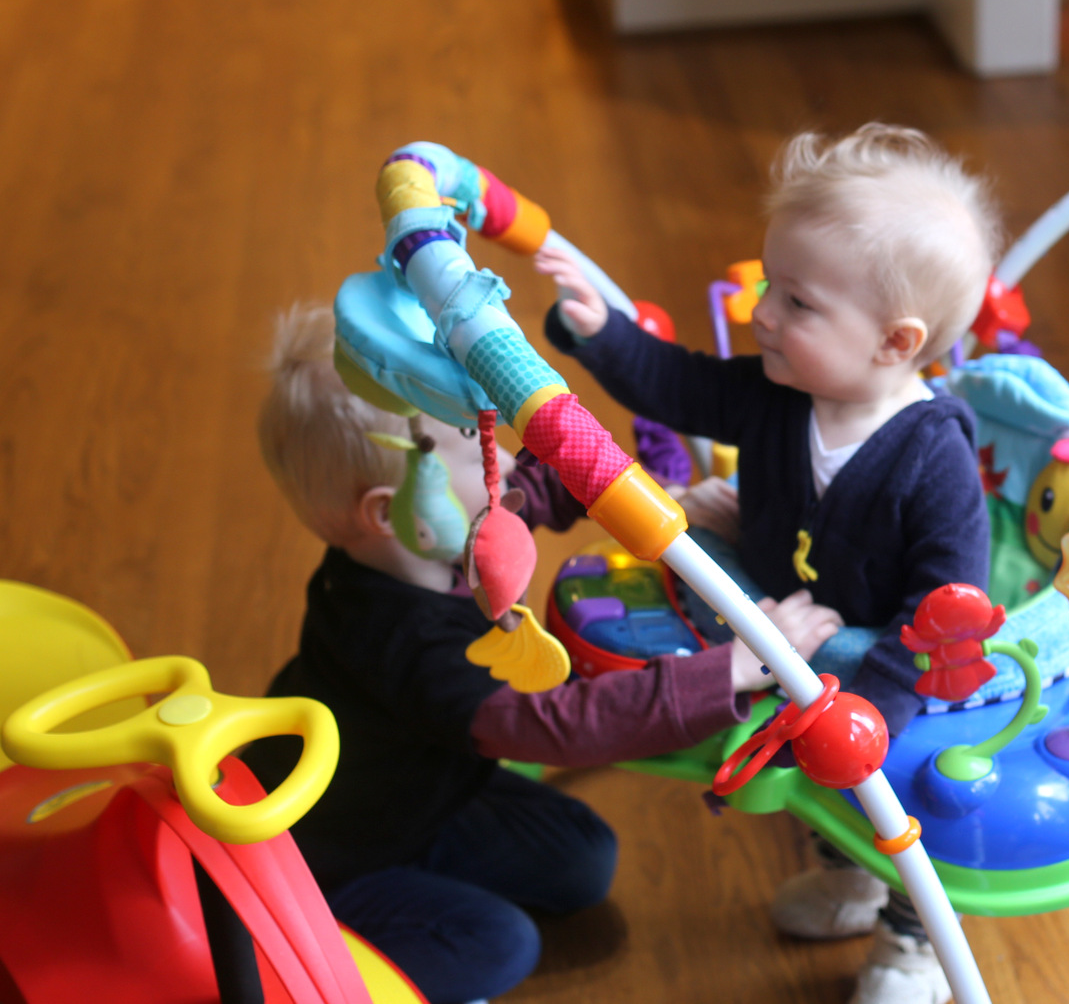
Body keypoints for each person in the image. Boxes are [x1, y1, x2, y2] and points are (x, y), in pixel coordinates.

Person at [243, 304, 837, 1004]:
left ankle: (418, 885)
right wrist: (727, 672)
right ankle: (298, 952)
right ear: (385, 511)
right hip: (330, 857)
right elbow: (554, 723)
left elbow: (536, 489)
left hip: (424, 792)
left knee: (585, 857)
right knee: (500, 945)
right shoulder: (404, 643)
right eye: (472, 446)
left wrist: (659, 504)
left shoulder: (430, 534)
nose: (500, 460)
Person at [536, 124, 1000, 1004]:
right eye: (770, 287)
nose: (763, 315)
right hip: (792, 631)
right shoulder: (779, 390)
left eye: (797, 302)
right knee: (821, 787)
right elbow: (679, 385)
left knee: (895, 787)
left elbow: (947, 607)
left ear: (895, 342)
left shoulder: (932, 458)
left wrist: (879, 707)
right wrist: (600, 334)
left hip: (894, 666)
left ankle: (914, 938)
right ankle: (847, 874)